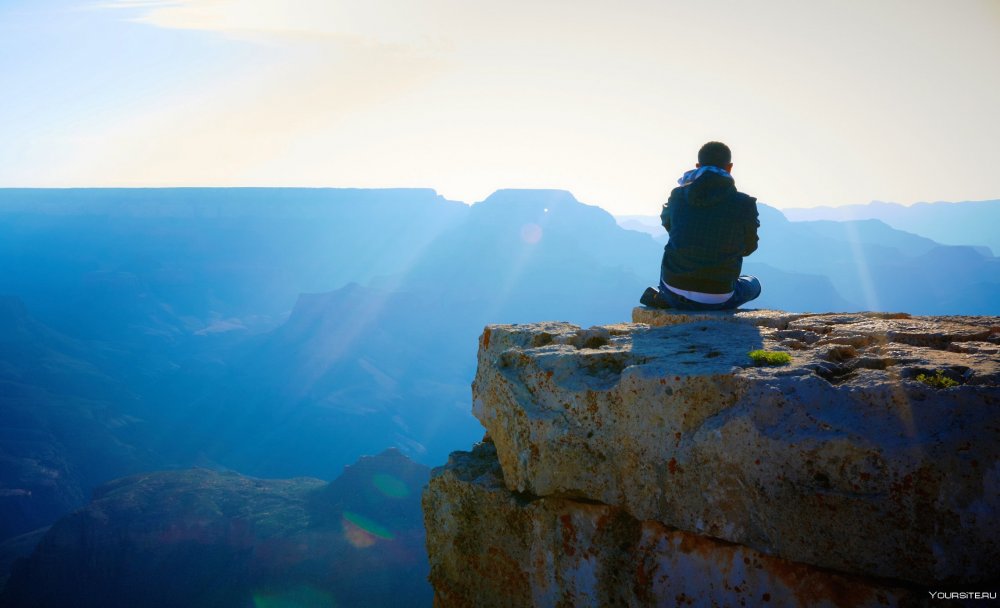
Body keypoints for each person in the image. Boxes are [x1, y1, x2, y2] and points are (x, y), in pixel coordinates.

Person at [640, 141, 762, 310]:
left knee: (673, 282)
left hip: (673, 287)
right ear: (730, 168)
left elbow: (670, 225)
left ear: (697, 166)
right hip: (719, 294)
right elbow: (749, 248)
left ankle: (666, 297)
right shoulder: (745, 203)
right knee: (753, 284)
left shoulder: (677, 196)